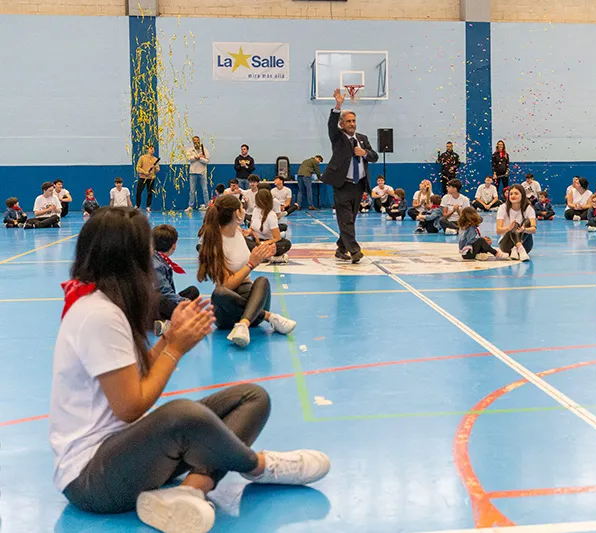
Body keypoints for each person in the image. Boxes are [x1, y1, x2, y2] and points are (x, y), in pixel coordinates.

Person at [49, 207, 330, 533]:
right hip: (93, 479)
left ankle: (190, 491)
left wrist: (169, 338)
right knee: (183, 414)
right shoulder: (99, 314)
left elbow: (135, 375)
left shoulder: (107, 305)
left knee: (252, 397)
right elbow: (130, 407)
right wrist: (176, 350)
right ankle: (260, 466)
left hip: (128, 455)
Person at [197, 195, 296, 348]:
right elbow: (226, 285)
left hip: (250, 304)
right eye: (242, 208)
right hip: (227, 313)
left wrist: (264, 252)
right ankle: (268, 317)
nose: (244, 210)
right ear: (237, 213)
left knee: (262, 281)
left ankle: (243, 325)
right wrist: (251, 264)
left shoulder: (237, 231)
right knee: (220, 293)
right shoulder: (216, 243)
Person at [320, 88, 379, 264]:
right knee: (345, 219)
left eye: (354, 121)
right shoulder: (337, 137)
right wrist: (338, 105)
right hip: (342, 184)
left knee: (351, 219)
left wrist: (364, 153)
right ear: (342, 124)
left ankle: (341, 248)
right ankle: (354, 250)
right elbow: (331, 124)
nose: (352, 124)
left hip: (359, 184)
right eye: (348, 121)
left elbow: (374, 156)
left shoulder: (362, 138)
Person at [152, 224, 200, 335]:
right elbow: (165, 291)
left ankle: (170, 321)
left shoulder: (159, 260)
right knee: (161, 299)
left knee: (193, 291)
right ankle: (177, 318)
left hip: (160, 302)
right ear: (174, 246)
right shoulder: (156, 265)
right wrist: (184, 302)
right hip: (154, 307)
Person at [495, 184, 536, 261]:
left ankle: (516, 247)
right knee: (515, 225)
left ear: (522, 195)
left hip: (525, 244)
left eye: (516, 193)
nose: (513, 196)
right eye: (511, 194)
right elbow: (498, 230)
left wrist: (524, 230)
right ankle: (517, 247)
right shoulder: (503, 207)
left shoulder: (528, 208)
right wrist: (508, 228)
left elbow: (533, 229)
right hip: (506, 245)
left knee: (527, 222)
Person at [186, 136, 210, 212]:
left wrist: (200, 158)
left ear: (199, 141)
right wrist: (195, 157)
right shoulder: (190, 150)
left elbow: (207, 161)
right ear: (193, 141)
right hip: (193, 172)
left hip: (202, 172)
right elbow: (189, 159)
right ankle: (190, 206)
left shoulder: (204, 150)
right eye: (194, 141)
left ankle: (207, 205)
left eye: (197, 140)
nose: (196, 142)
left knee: (205, 190)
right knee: (192, 190)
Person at [135, 145, 160, 212]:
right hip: (143, 177)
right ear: (148, 150)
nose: (152, 150)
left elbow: (158, 169)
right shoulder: (142, 158)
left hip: (151, 178)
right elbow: (138, 168)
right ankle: (137, 205)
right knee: (139, 192)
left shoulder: (155, 159)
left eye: (153, 149)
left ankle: (148, 206)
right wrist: (144, 172)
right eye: (151, 149)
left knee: (150, 193)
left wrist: (154, 167)